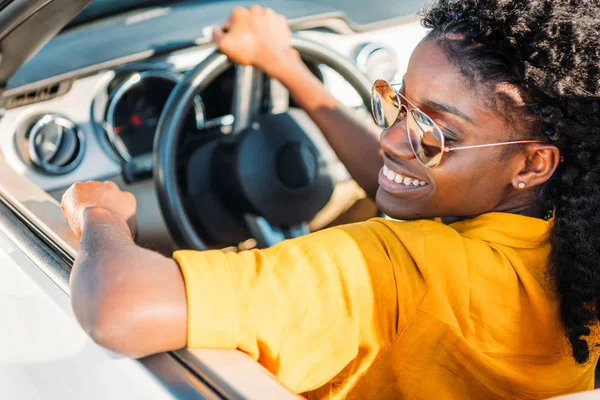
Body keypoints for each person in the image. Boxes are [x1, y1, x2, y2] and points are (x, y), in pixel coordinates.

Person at [60, 0, 600, 398]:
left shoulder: (390, 270)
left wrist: (102, 214)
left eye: (433, 133)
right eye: (396, 101)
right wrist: (289, 68)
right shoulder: (571, 252)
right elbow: (400, 188)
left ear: (532, 164)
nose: (390, 139)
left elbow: (119, 308)